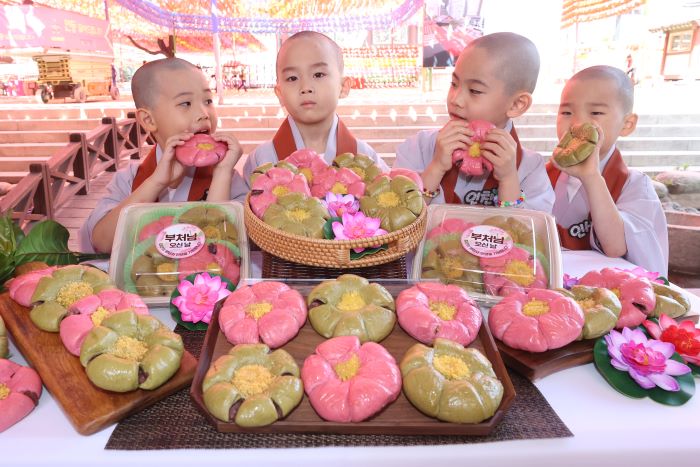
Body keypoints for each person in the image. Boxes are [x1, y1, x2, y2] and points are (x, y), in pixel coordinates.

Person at [80, 58, 243, 253]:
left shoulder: (228, 179)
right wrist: (156, 182)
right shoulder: (129, 179)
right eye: (185, 103)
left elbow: (224, 246)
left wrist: (223, 174)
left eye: (208, 101)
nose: (204, 113)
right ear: (148, 120)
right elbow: (103, 241)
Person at [393, 32, 554, 211]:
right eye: (454, 84)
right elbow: (398, 220)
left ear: (517, 104)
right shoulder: (418, 147)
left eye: (475, 91)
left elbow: (527, 232)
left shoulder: (530, 168)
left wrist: (509, 180)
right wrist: (436, 167)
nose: (456, 99)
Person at [232, 31, 387, 200]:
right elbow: (243, 216)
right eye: (292, 78)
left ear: (343, 87)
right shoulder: (262, 159)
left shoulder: (364, 157)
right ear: (280, 93)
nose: (305, 87)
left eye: (318, 75)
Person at [546, 65, 668, 275]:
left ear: (627, 124)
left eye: (595, 112)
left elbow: (615, 247)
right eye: (566, 112)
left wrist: (591, 177)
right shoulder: (541, 172)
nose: (577, 124)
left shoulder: (635, 185)